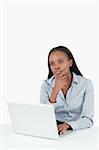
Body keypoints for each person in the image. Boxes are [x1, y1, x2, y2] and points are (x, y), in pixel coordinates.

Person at [40, 46, 94, 135]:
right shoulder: (46, 85)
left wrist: (68, 125)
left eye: (60, 61)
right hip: (54, 130)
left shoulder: (86, 84)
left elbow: (88, 119)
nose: (56, 67)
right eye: (52, 63)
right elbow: (43, 117)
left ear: (70, 63)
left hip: (78, 130)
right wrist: (55, 90)